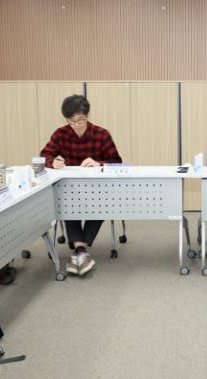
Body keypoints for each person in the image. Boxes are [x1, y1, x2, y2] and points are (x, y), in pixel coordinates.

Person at [40, 94, 122, 276]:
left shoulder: (101, 134)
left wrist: (99, 163)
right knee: (68, 204)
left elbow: (117, 162)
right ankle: (81, 250)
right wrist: (53, 162)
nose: (77, 125)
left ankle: (79, 250)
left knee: (102, 204)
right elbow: (43, 156)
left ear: (87, 115)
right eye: (72, 121)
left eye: (81, 119)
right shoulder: (60, 134)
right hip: (70, 189)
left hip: (98, 190)